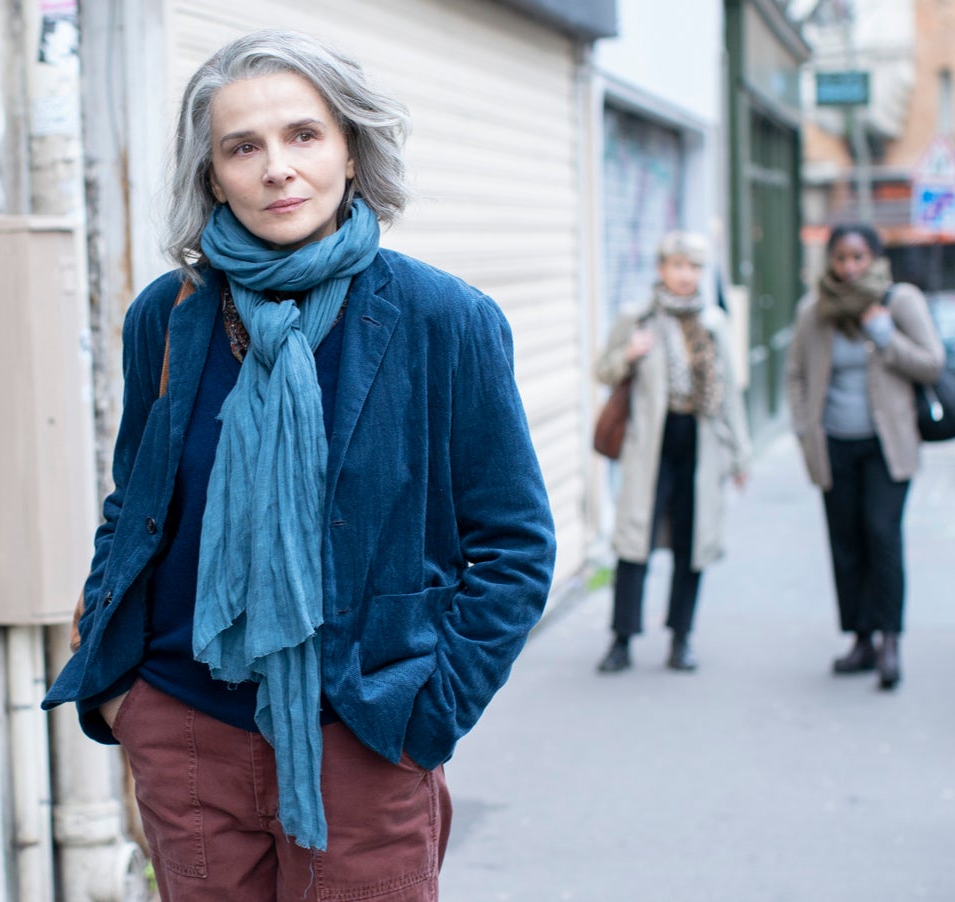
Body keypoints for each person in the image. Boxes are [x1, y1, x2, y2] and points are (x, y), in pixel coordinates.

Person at [41, 29, 556, 901]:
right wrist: (125, 692)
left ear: (350, 150)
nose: (277, 167)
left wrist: (422, 719)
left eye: (303, 135)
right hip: (187, 734)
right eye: (243, 147)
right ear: (211, 176)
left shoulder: (441, 319)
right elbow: (136, 504)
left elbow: (513, 547)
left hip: (360, 736)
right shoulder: (169, 317)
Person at [786, 222, 943, 690]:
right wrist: (802, 428)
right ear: (829, 262)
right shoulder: (814, 310)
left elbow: (933, 362)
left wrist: (884, 334)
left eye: (858, 257)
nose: (849, 267)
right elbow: (795, 374)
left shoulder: (901, 302)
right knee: (846, 544)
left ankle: (890, 639)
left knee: (882, 535)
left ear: (875, 259)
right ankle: (860, 639)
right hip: (834, 444)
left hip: (887, 446)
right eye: (840, 258)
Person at [594, 231, 750, 674]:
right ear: (662, 269)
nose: (686, 275)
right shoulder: (638, 317)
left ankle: (681, 638)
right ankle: (621, 639)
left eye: (694, 267)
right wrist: (628, 352)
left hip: (699, 444)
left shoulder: (715, 323)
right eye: (678, 266)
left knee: (691, 542)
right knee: (633, 541)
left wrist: (740, 456)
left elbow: (731, 396)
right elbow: (602, 370)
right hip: (650, 446)